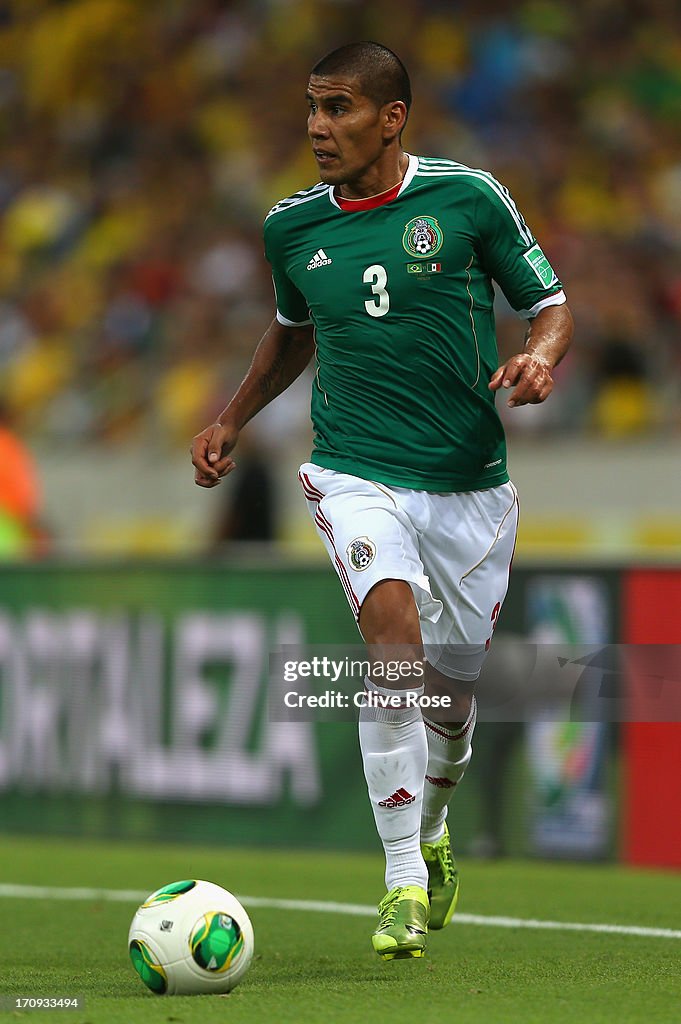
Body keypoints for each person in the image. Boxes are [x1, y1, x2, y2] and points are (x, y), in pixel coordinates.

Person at [191, 41, 573, 960]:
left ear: (390, 118)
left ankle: (434, 825)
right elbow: (291, 335)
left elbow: (550, 303)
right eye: (312, 108)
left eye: (339, 109)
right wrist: (232, 417)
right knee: (391, 643)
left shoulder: (467, 198)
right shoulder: (291, 227)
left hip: (468, 488)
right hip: (356, 468)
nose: (318, 127)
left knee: (450, 700)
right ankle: (401, 876)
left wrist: (539, 357)